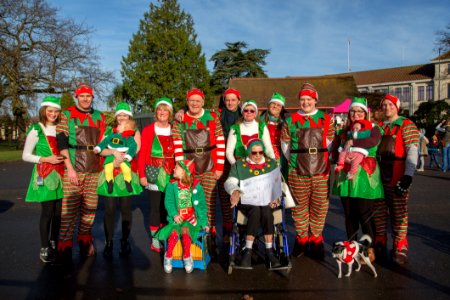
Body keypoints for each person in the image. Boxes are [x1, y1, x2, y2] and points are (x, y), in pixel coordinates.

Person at [281, 82, 335, 258]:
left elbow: (329, 142)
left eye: (309, 99)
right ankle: (302, 239)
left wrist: (319, 159)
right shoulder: (290, 120)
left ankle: (316, 239)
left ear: (315, 100)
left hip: (321, 170)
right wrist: (296, 161)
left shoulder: (326, 119)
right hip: (298, 169)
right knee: (299, 207)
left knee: (319, 206)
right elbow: (285, 146)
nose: (305, 102)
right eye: (302, 99)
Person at [56, 83, 107, 262]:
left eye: (89, 96)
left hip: (93, 169)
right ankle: (65, 244)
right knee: (69, 209)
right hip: (74, 168)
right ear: (77, 97)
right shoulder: (66, 114)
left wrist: (117, 153)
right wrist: (69, 168)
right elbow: (61, 142)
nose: (85, 99)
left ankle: (85, 239)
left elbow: (104, 143)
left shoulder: (100, 116)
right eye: (82, 96)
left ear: (93, 97)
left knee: (90, 208)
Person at [332, 97, 384, 262]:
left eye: (359, 111)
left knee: (364, 214)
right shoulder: (342, 131)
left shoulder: (374, 129)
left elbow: (372, 141)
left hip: (364, 175)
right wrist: (339, 157)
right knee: (349, 214)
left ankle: (370, 249)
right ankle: (352, 247)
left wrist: (351, 142)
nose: (355, 114)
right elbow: (334, 152)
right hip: (345, 176)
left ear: (365, 113)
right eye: (353, 111)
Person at [172, 88, 225, 244]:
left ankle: (211, 234)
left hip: (210, 166)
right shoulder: (179, 120)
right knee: (188, 201)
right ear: (187, 102)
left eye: (197, 100)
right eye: (191, 100)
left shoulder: (213, 117)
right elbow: (177, 145)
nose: (194, 103)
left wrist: (220, 167)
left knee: (209, 201)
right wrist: (182, 170)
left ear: (203, 102)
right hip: (189, 168)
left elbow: (220, 142)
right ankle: (192, 235)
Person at [374, 94, 419, 264]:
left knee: (399, 212)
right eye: (384, 105)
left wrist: (408, 175)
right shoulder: (378, 127)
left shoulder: (406, 125)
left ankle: (400, 244)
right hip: (378, 177)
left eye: (390, 105)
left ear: (397, 107)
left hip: (397, 175)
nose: (387, 108)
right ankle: (380, 240)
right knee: (378, 210)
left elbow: (412, 150)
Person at [224, 138, 282, 269]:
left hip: (267, 202)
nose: (257, 155)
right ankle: (248, 251)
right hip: (247, 202)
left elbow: (278, 184)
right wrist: (235, 191)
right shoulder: (239, 165)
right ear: (249, 152)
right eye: (254, 153)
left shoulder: (271, 164)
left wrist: (276, 197)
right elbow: (230, 182)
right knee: (255, 210)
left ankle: (269, 251)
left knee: (266, 211)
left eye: (260, 152)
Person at [95, 102, 142, 258]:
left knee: (125, 209)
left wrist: (120, 160)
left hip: (125, 172)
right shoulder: (109, 131)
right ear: (116, 117)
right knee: (109, 210)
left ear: (129, 116)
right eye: (119, 115)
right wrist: (113, 152)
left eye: (125, 115)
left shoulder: (134, 132)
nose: (122, 117)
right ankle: (109, 243)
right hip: (110, 171)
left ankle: (125, 241)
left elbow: (135, 150)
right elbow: (101, 150)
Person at [23, 96, 65, 263]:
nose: (53, 114)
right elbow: (25, 155)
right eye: (50, 111)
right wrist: (46, 159)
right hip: (45, 174)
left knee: (58, 213)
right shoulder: (36, 129)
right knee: (47, 213)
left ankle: (54, 241)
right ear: (44, 111)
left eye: (56, 111)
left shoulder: (61, 129)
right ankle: (44, 246)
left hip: (61, 176)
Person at [155, 160, 209, 273]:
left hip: (191, 218)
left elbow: (202, 206)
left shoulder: (195, 186)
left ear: (185, 172)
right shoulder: (171, 185)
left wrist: (204, 222)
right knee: (174, 231)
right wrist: (174, 214)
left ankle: (187, 256)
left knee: (185, 230)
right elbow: (168, 202)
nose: (174, 169)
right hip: (177, 218)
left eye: (177, 168)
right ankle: (168, 256)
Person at [138, 98, 175, 253]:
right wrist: (142, 175)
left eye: (165, 110)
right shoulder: (148, 130)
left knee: (168, 206)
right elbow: (143, 154)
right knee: (154, 207)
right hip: (153, 170)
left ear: (170, 113)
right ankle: (155, 239)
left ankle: (165, 234)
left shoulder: (175, 129)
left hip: (171, 172)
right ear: (156, 112)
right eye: (159, 110)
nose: (162, 113)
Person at [216, 89, 242, 246]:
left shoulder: (245, 114)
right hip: (222, 162)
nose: (230, 103)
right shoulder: (218, 116)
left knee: (242, 195)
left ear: (239, 100)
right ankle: (227, 229)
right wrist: (182, 110)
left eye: (233, 100)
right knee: (225, 197)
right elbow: (196, 110)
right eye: (228, 100)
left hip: (239, 161)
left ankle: (241, 229)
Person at [226, 99, 275, 165]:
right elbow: (229, 151)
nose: (249, 112)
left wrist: (273, 162)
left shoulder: (262, 127)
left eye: (252, 111)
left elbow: (268, 148)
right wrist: (235, 166)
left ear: (255, 113)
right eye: (246, 110)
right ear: (242, 112)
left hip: (259, 164)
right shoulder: (235, 128)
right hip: (241, 165)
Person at [259, 92, 288, 162]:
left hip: (281, 157)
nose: (275, 106)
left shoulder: (285, 122)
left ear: (281, 108)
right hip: (263, 155)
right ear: (269, 105)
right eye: (273, 104)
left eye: (278, 105)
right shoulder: (259, 121)